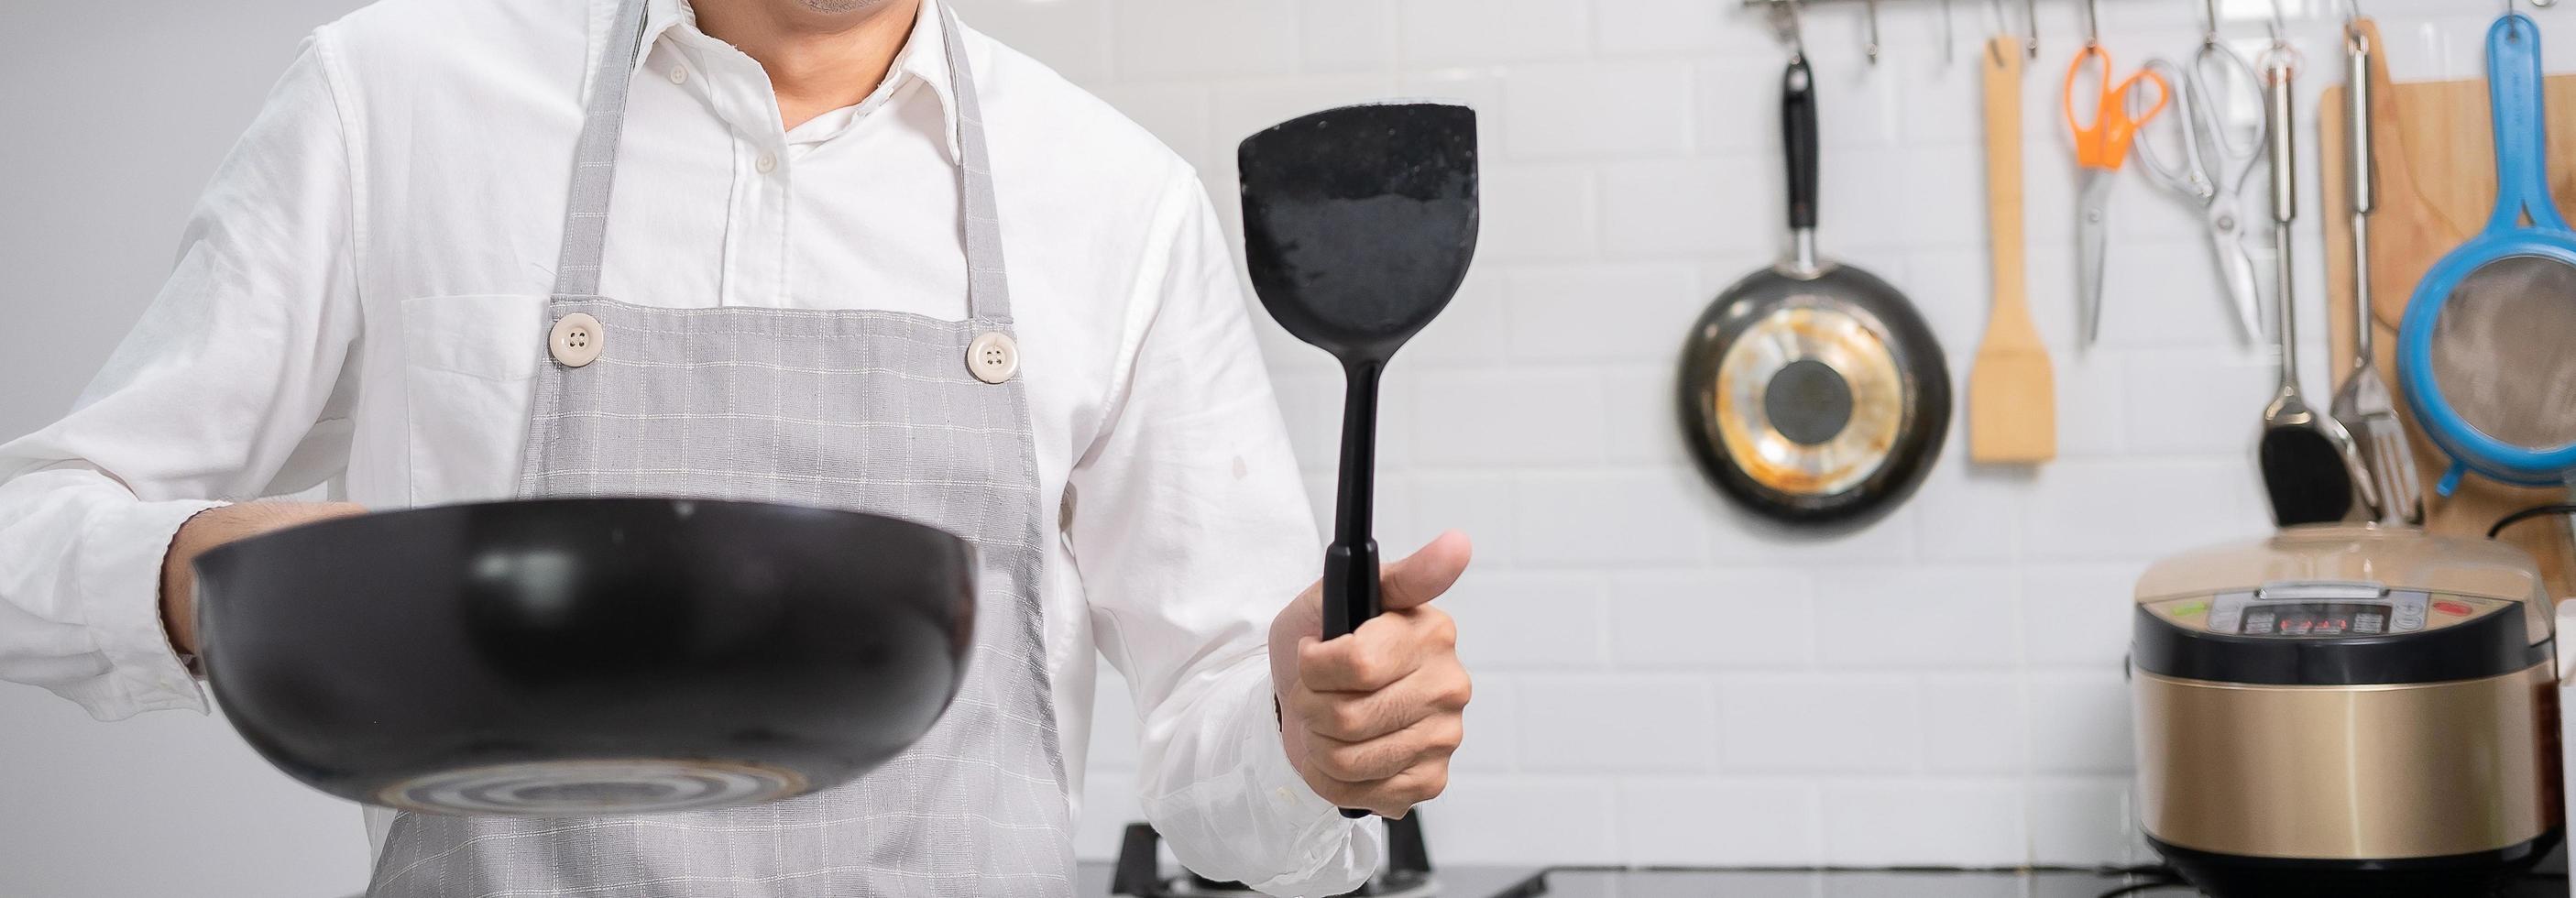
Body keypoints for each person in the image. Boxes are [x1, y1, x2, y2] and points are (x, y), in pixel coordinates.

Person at [0, 0, 1474, 894]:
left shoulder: (1113, 199)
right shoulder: (391, 99)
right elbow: (31, 527)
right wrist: (197, 571)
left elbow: (1228, 763)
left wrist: (1314, 741)